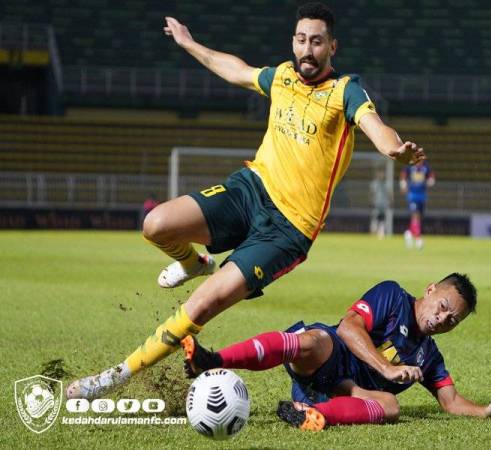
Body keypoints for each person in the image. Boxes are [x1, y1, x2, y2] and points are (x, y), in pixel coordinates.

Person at [66, 2, 425, 400]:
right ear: (293, 41)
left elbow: (376, 128)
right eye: (302, 40)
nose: (308, 49)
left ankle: (111, 378)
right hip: (249, 190)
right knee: (156, 225)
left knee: (201, 308)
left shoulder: (345, 91)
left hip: (287, 229)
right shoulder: (283, 76)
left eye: (317, 42)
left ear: (332, 48)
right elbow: (236, 69)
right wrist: (189, 43)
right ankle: (193, 262)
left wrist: (396, 151)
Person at [181, 273, 491, 430]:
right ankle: (212, 360)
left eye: (454, 319)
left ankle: (313, 416)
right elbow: (348, 327)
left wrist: (486, 412)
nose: (443, 318)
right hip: (329, 358)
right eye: (444, 305)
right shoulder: (393, 296)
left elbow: (450, 402)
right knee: (314, 340)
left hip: (348, 394)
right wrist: (387, 369)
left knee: (390, 406)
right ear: (431, 289)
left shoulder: (428, 355)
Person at [400, 160, 435, 249]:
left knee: (419, 218)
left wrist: (430, 181)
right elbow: (403, 175)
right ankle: (418, 238)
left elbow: (431, 176)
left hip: (422, 196)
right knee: (415, 215)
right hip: (412, 195)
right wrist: (403, 184)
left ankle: (409, 233)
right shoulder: (410, 167)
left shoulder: (426, 167)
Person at [369, 169, 390, 239]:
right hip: (376, 203)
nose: (381, 175)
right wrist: (371, 201)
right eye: (380, 174)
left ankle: (381, 232)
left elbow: (389, 194)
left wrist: (390, 201)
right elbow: (371, 193)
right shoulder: (374, 184)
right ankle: (373, 230)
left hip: (383, 204)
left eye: (382, 174)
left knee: (383, 218)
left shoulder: (386, 184)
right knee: (375, 217)